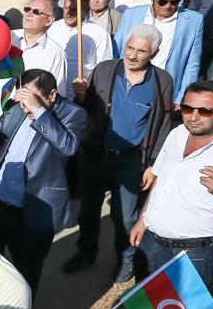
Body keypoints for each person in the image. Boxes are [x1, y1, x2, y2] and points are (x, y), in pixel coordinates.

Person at [66, 25, 174, 283]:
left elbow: (164, 124)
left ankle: (126, 258)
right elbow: (84, 111)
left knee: (125, 217)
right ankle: (86, 252)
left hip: (131, 160)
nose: (132, 55)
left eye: (141, 51)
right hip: (94, 155)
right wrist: (80, 97)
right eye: (130, 47)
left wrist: (153, 165)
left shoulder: (162, 81)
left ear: (154, 53)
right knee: (87, 211)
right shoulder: (104, 70)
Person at [130, 81, 213, 284]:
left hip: (191, 254)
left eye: (205, 111)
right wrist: (143, 220)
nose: (193, 117)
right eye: (187, 108)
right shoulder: (177, 134)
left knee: (183, 306)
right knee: (143, 301)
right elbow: (160, 182)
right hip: (150, 242)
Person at [0, 69, 87, 290]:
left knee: (25, 275)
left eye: (30, 100)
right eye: (22, 99)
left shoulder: (74, 114)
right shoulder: (19, 105)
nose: (24, 107)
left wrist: (38, 111)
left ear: (52, 95)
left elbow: (68, 146)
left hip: (34, 212)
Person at [113, 0, 203, 104]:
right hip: (126, 85)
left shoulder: (194, 20)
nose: (168, 6)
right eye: (162, 1)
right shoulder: (131, 14)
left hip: (165, 90)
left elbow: (192, 64)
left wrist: (183, 98)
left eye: (174, 2)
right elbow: (117, 51)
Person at [0, 0, 71, 110]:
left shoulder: (56, 54)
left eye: (36, 12)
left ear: (49, 20)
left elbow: (57, 96)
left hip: (27, 116)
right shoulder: (6, 37)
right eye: (27, 9)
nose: (29, 14)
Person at [48, 0, 114, 83]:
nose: (68, 13)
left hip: (82, 88)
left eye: (74, 10)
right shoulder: (51, 28)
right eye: (66, 8)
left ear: (86, 10)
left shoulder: (99, 34)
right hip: (53, 86)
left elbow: (104, 68)